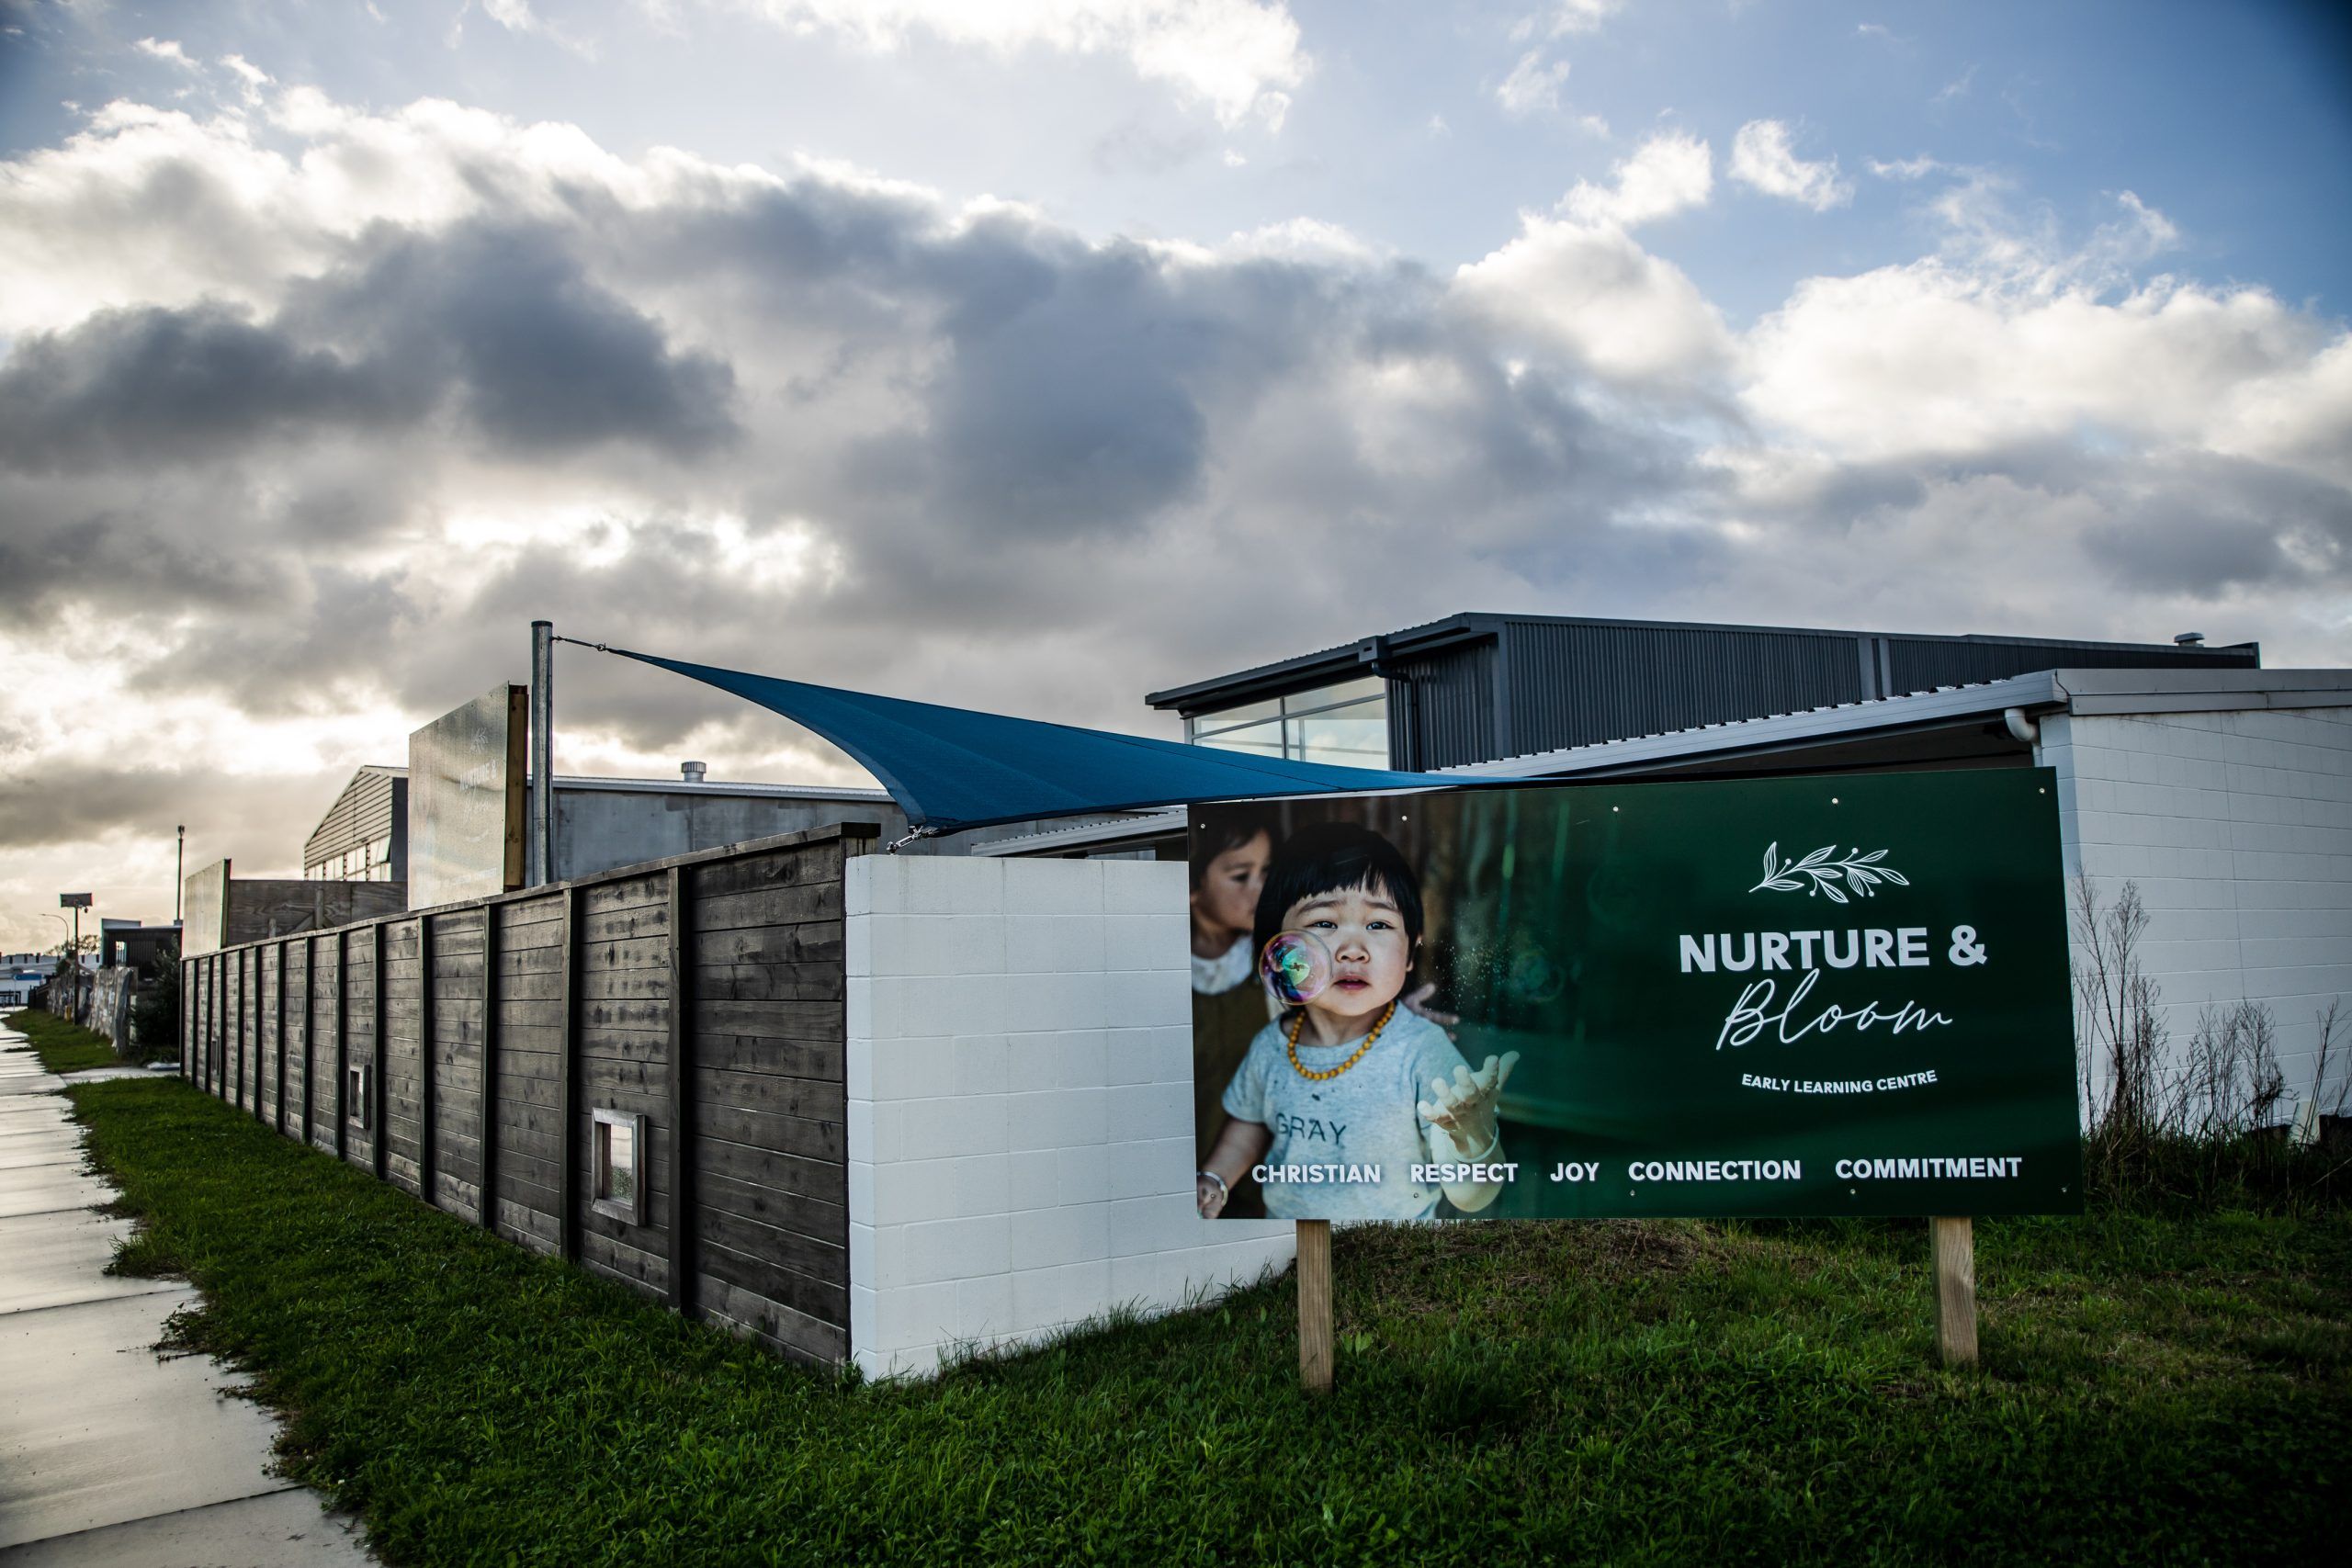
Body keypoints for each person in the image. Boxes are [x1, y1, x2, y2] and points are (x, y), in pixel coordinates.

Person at [1196, 821, 1518, 1222]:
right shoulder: (1272, 1045)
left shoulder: (1421, 1051)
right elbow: (1249, 1124)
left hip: (1392, 1260)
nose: (1353, 950)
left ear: (1410, 953)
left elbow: (1471, 1195)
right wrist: (1215, 1178)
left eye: (1378, 925)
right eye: (1325, 923)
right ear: (1277, 949)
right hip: (1287, 1247)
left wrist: (1472, 1138)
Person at [1190, 813, 1274, 1217]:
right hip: (1193, 1191)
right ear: (1192, 887)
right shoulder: (1158, 968)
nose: (1260, 889)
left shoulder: (1278, 964)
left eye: (1265, 871)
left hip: (1265, 1188)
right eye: (1241, 876)